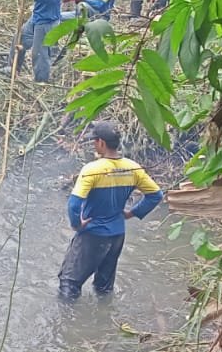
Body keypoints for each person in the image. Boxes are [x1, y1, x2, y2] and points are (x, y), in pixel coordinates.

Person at [60, 121, 165, 300]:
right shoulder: (134, 168)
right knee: (104, 287)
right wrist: (132, 213)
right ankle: (105, 319)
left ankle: (69, 325)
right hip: (117, 235)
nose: (93, 144)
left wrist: (77, 224)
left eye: (94, 141)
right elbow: (156, 195)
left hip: (93, 234)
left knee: (69, 284)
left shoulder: (92, 170)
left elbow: (74, 204)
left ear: (101, 142)